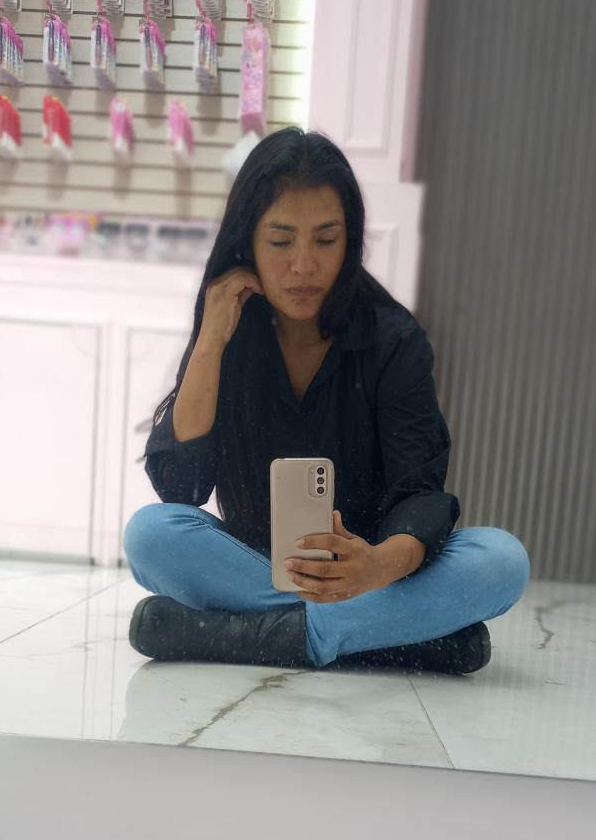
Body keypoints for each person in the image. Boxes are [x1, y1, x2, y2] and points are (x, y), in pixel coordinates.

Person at [123, 127, 529, 673]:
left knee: (502, 560)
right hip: (256, 565)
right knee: (150, 534)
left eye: (325, 240)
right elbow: (181, 487)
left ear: (350, 241)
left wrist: (378, 565)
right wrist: (210, 342)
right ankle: (394, 637)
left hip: (372, 571)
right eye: (281, 241)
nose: (303, 265)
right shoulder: (230, 330)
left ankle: (256, 635)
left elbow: (419, 490)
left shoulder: (394, 340)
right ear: (248, 241)